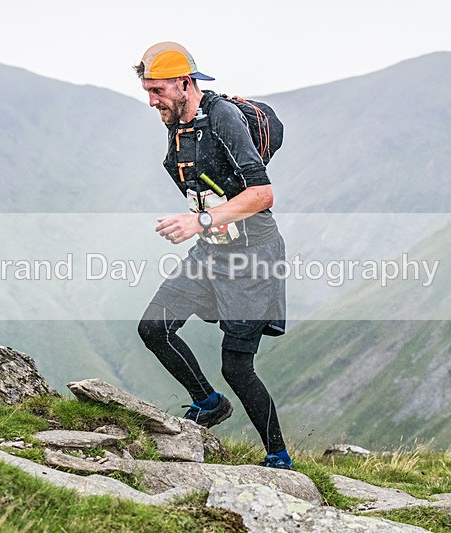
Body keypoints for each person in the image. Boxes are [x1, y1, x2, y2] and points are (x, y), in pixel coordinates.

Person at [134, 42, 292, 469]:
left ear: (186, 83)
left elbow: (262, 194)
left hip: (253, 255)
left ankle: (279, 457)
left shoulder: (222, 118)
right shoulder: (178, 122)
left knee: (238, 367)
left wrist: (199, 222)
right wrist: (203, 222)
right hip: (212, 251)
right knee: (153, 328)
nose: (152, 101)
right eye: (147, 91)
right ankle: (208, 403)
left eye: (159, 91)